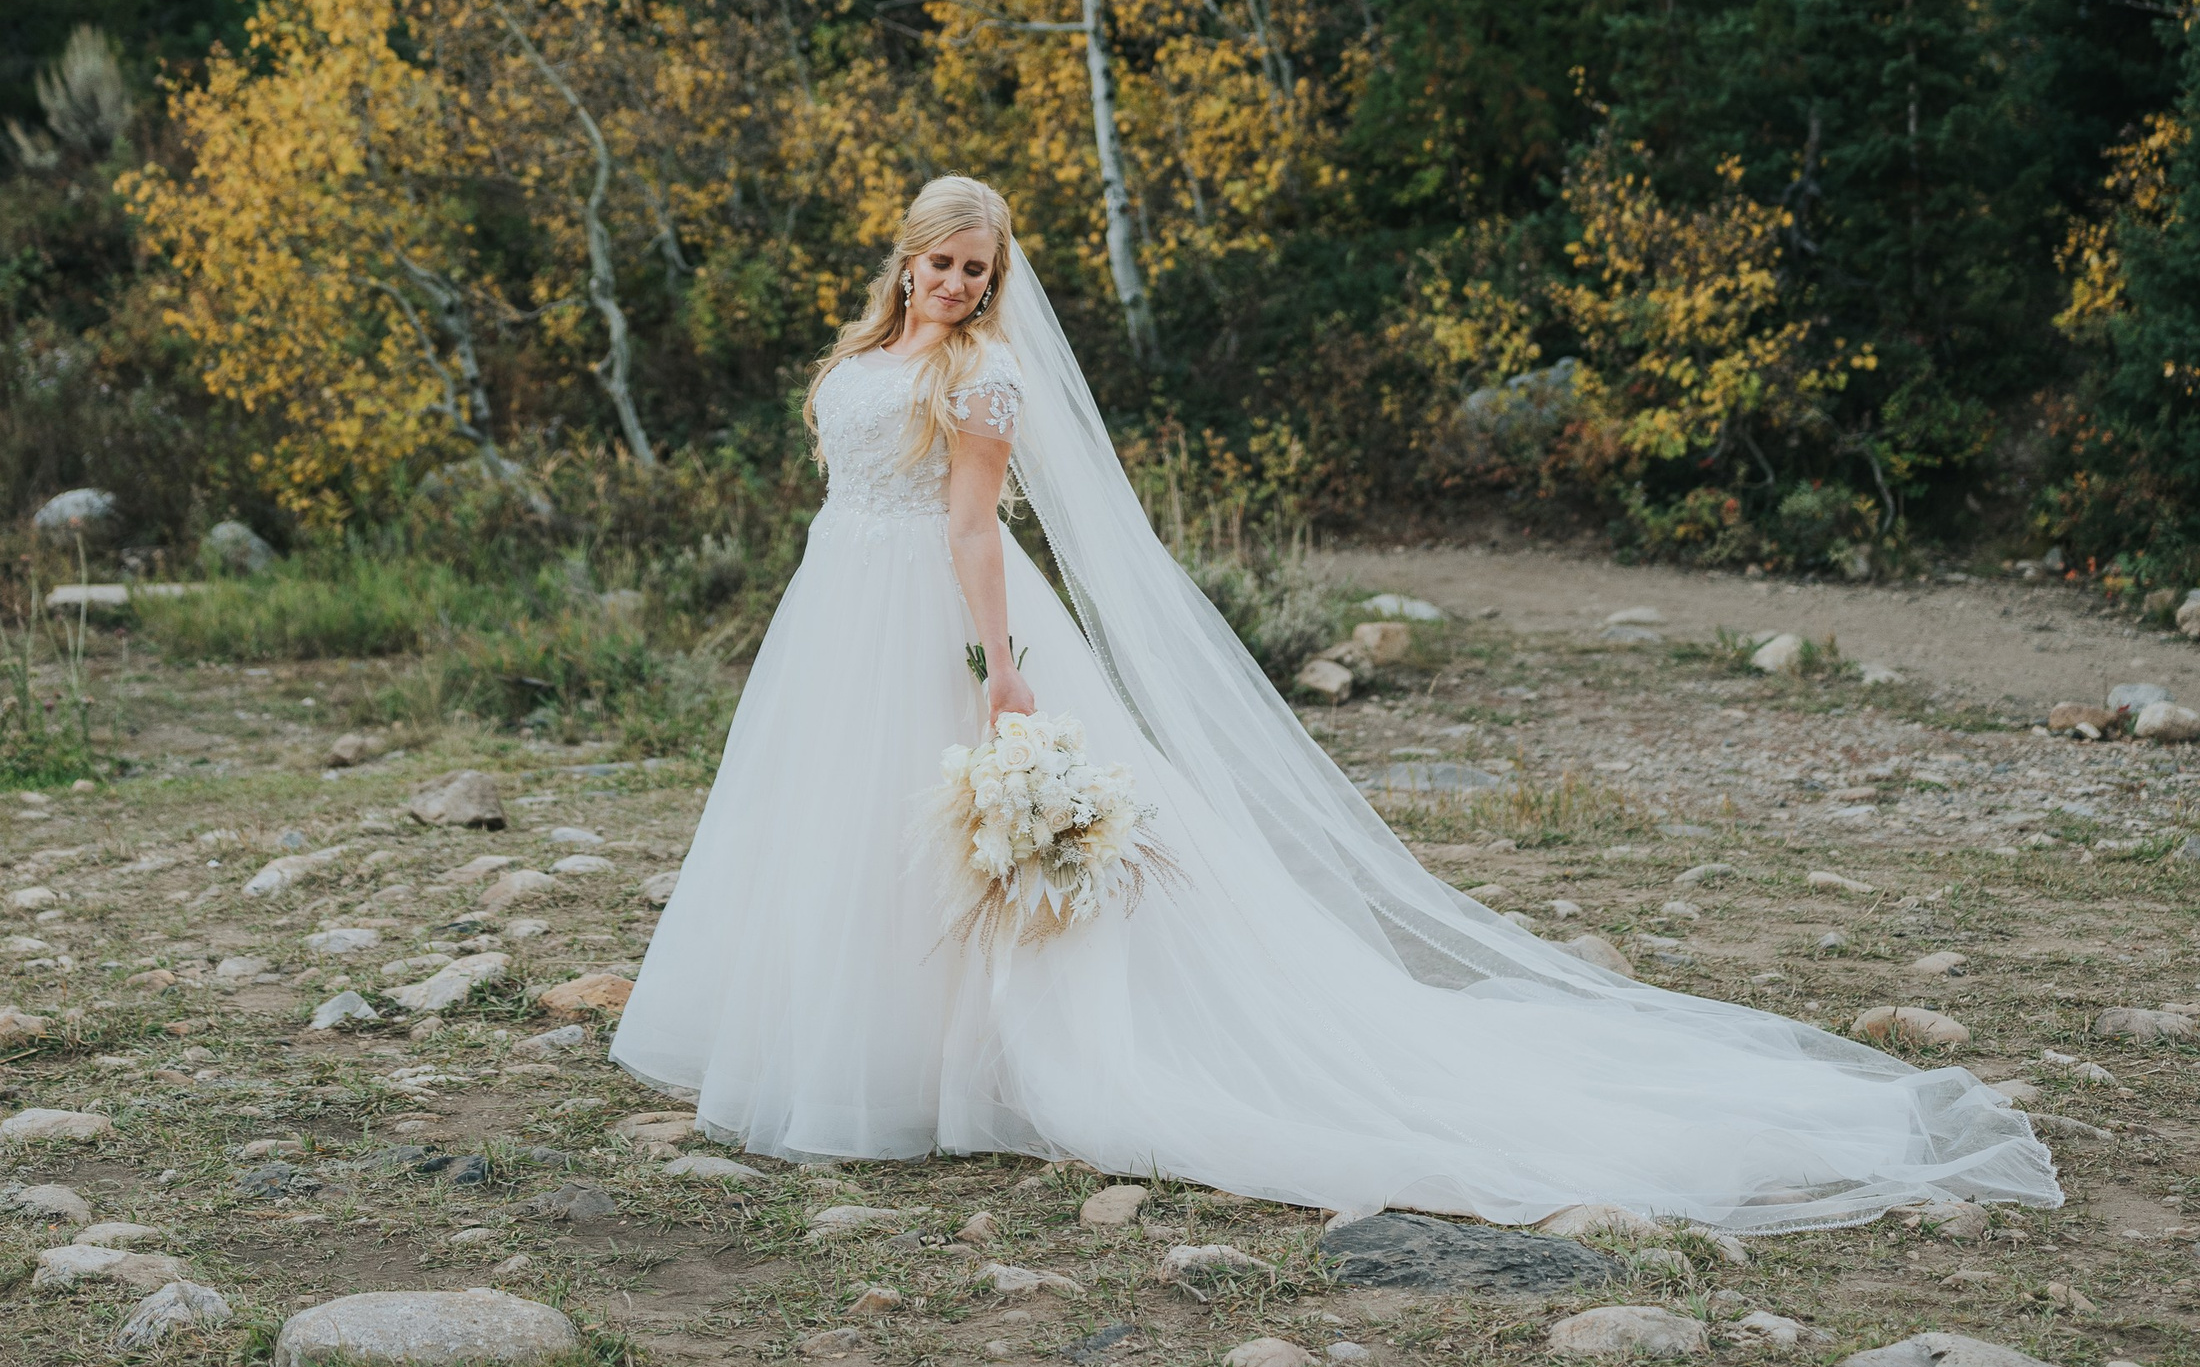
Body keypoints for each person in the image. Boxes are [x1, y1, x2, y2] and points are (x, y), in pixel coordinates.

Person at [613, 174, 2059, 1233]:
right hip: (838, 603)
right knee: (840, 816)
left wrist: (1002, 668)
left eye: (978, 272)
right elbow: (856, 485)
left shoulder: (983, 379)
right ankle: (846, 1044)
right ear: (908, 255)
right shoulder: (867, 355)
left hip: (936, 608)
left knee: (969, 831)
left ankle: (974, 1066)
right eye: (942, 264)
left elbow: (976, 526)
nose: (957, 286)